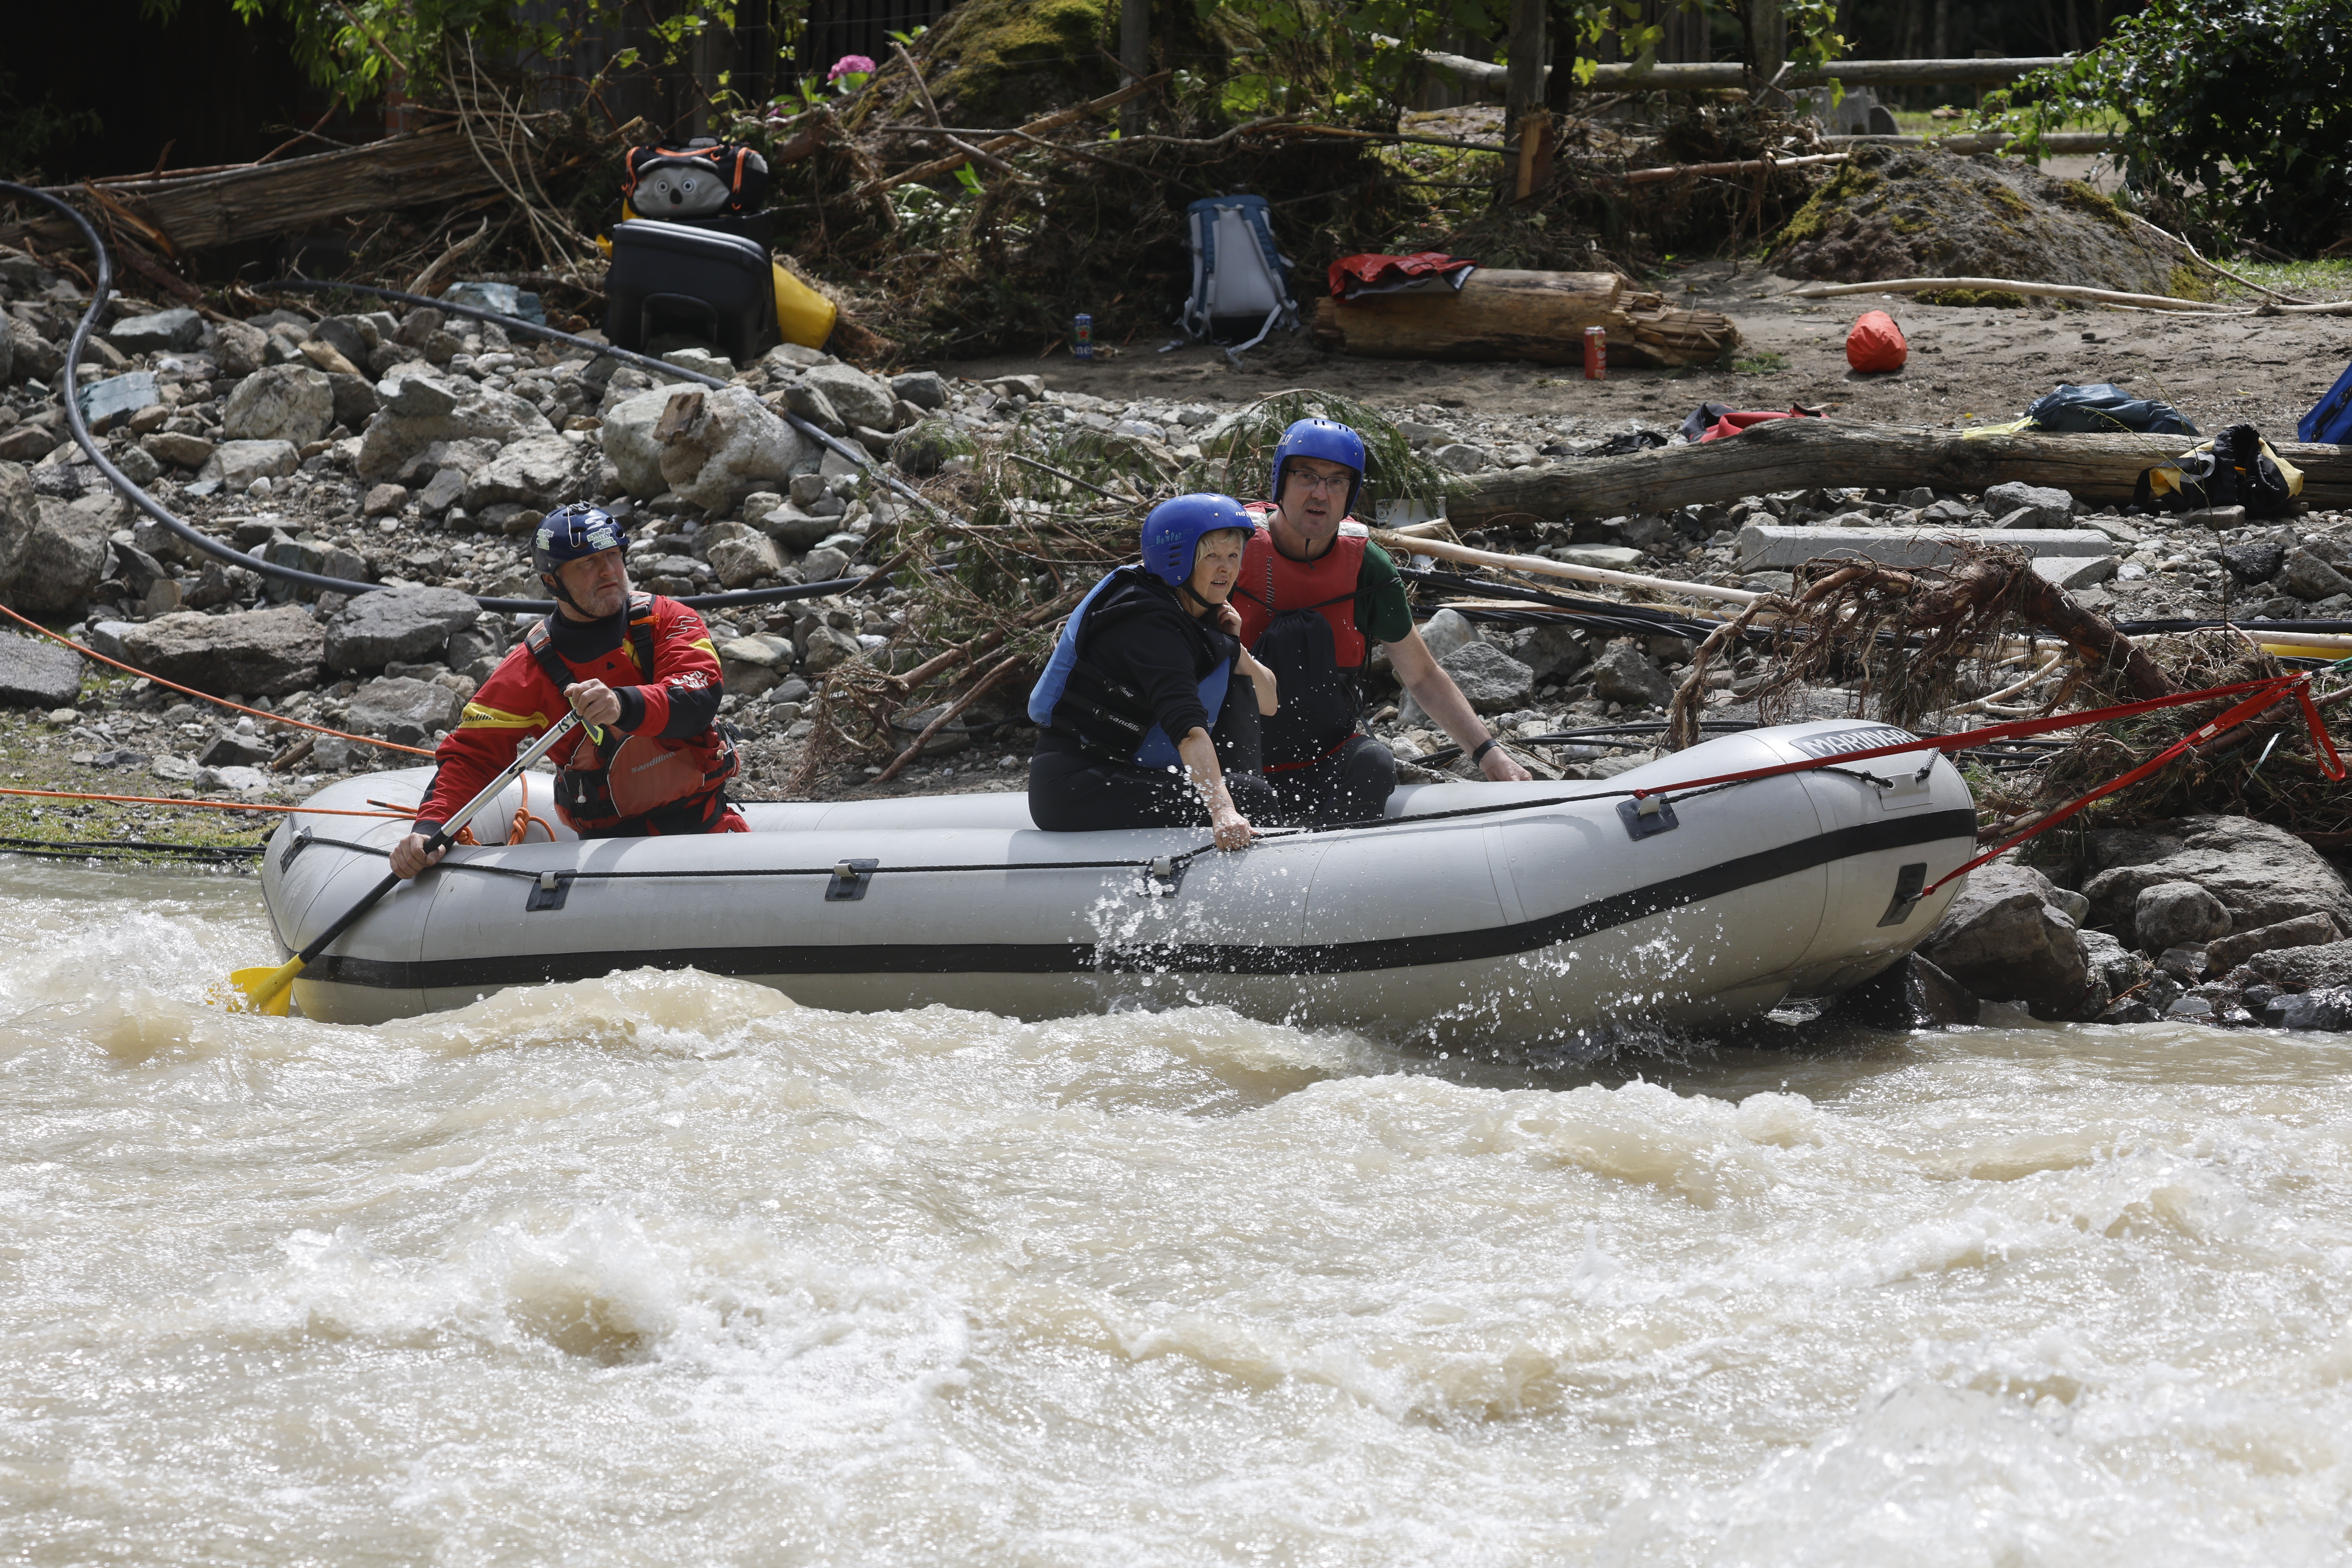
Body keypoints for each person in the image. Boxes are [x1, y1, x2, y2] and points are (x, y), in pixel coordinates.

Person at [390, 503, 741, 878]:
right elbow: (474, 758)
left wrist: (621, 704)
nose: (608, 571)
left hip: (707, 826)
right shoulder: (528, 670)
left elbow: (696, 697)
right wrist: (431, 828)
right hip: (605, 855)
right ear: (552, 580)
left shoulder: (668, 621)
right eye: (587, 563)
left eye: (612, 556)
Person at [1232, 417, 1533, 825]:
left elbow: (1422, 675)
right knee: (1241, 790)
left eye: (1337, 481)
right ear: (1281, 482)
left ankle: (1329, 865)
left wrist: (1489, 755)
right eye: (1306, 476)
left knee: (1375, 761)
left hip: (1323, 757)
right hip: (1236, 756)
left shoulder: (1367, 567)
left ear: (1350, 494)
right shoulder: (1230, 546)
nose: (1321, 493)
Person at [1028, 494, 1281, 850]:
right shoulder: (1147, 622)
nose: (1227, 568)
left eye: (1234, 556)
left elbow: (1269, 701)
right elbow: (1188, 732)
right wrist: (1223, 810)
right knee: (1250, 797)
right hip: (1075, 784)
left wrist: (1233, 647)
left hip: (1126, 770)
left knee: (1249, 790)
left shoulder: (1200, 613)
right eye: (1212, 556)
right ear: (1176, 558)